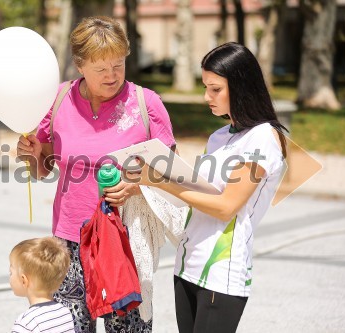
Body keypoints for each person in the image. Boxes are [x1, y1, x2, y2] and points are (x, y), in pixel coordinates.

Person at [17, 16, 176, 332]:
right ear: (79, 65)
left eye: (118, 65)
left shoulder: (147, 104)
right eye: (101, 69)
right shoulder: (59, 99)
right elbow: (43, 168)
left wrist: (134, 186)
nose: (112, 75)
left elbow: (171, 174)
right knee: (72, 327)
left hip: (124, 238)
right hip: (69, 239)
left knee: (128, 328)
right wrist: (32, 157)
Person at [126, 42, 288, 332]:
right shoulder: (218, 136)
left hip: (222, 272)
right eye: (205, 87)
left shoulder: (263, 137)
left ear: (241, 86)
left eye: (215, 89)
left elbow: (226, 206)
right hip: (186, 265)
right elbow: (198, 194)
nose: (206, 97)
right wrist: (147, 182)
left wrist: (159, 180)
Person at [9, 237, 75, 333]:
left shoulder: (26, 323)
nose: (10, 277)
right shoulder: (65, 312)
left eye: (11, 272)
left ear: (24, 280)